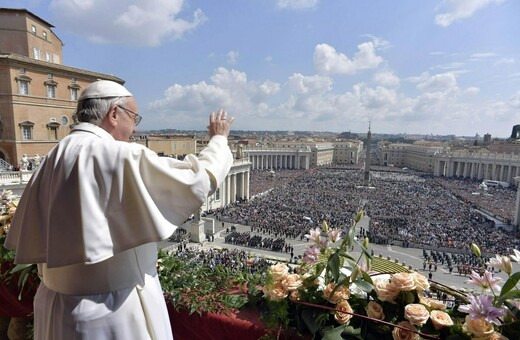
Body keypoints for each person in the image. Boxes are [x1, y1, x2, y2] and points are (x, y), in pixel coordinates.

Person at [5, 80, 235, 339]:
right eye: (134, 117)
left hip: (57, 309)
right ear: (114, 114)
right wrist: (218, 140)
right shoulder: (119, 155)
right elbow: (197, 180)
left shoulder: (52, 157)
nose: (135, 128)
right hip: (114, 312)